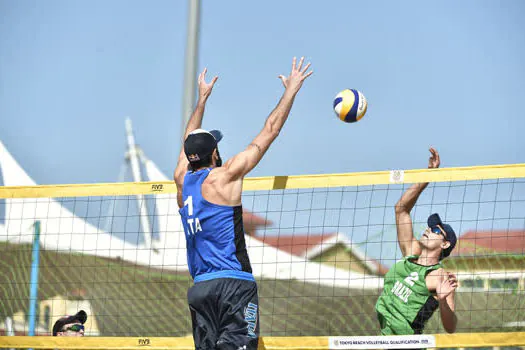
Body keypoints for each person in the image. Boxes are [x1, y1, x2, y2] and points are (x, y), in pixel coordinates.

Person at [174, 57, 313, 350]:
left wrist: (201, 100)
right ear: (214, 153)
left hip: (200, 288)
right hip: (233, 286)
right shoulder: (225, 177)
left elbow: (188, 140)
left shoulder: (180, 181)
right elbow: (270, 131)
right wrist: (291, 91)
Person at [375, 148, 458, 335]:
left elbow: (451, 327)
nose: (429, 229)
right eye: (430, 226)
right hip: (385, 340)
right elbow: (401, 209)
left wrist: (444, 301)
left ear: (445, 244)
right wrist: (428, 175)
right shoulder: (410, 252)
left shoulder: (439, 276)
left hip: (408, 344)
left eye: (436, 230)